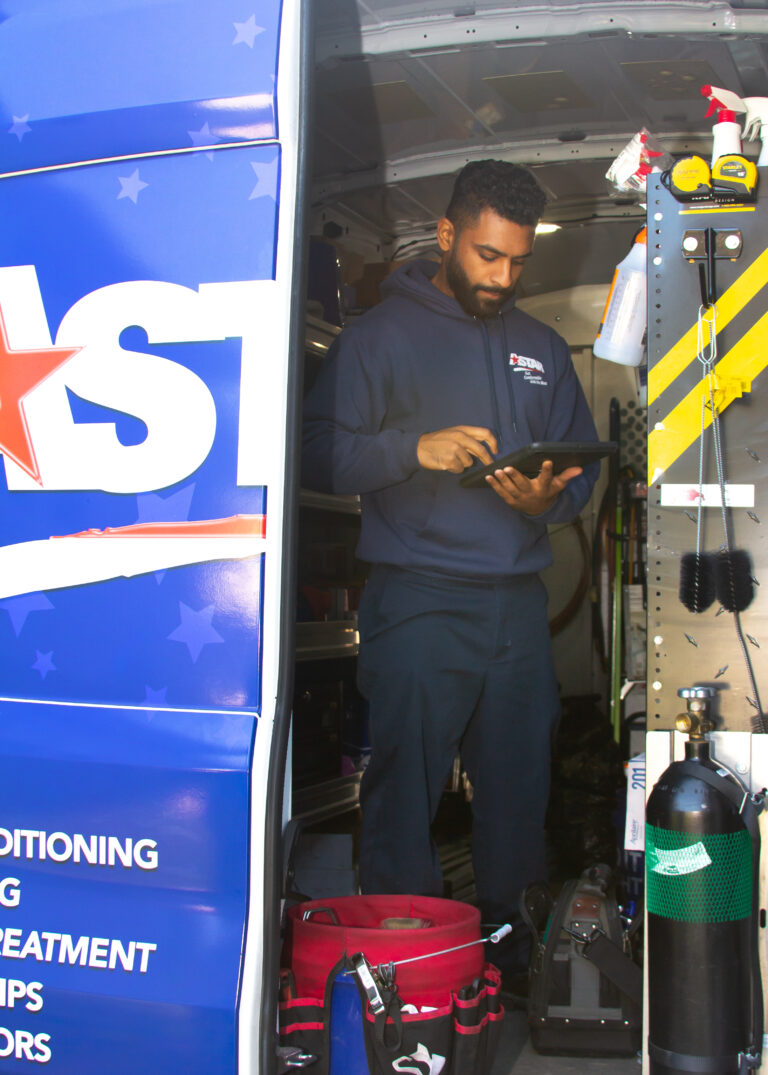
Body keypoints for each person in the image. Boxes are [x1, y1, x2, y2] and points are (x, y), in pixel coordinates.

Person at [302, 159, 599, 980]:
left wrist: (548, 503)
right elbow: (318, 449)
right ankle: (407, 984)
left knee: (518, 800)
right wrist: (412, 449)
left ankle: (506, 978)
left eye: (516, 261)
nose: (502, 277)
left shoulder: (541, 348)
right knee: (404, 799)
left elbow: (584, 467)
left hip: (515, 608)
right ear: (445, 235)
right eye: (486, 257)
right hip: (420, 598)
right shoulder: (377, 337)